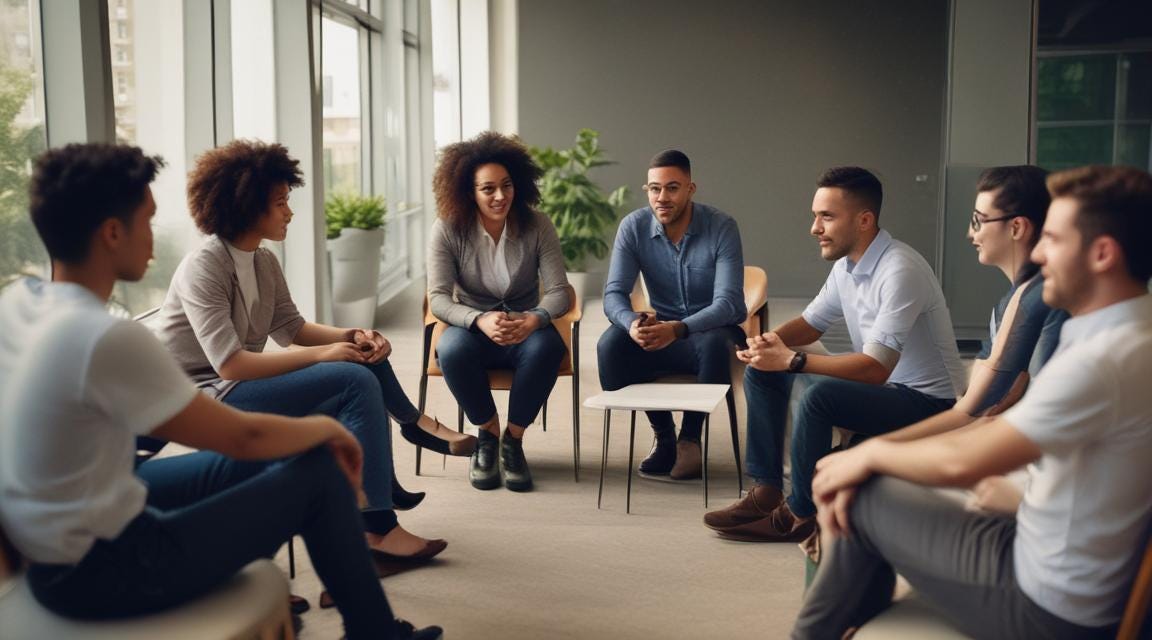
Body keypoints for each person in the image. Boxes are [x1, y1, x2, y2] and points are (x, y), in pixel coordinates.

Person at [0, 143, 440, 639]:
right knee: (317, 472)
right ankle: (376, 630)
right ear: (112, 232)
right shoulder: (105, 336)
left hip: (69, 538)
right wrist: (326, 432)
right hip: (110, 565)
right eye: (148, 218)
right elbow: (241, 437)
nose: (155, 234)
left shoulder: (17, 305)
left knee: (297, 459)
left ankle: (346, 567)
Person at [793, 165, 1152, 640]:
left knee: (863, 491)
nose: (1039, 253)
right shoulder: (1131, 329)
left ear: (1103, 254)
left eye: (1056, 240)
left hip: (1047, 606)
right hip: (1056, 552)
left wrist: (865, 455)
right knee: (870, 486)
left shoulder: (1102, 359)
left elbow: (964, 459)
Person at [151, 139, 459, 568]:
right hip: (204, 396)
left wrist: (351, 335)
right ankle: (379, 520)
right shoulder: (204, 266)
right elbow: (229, 363)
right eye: (279, 203)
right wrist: (324, 355)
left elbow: (290, 329)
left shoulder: (262, 262)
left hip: (239, 383)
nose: (289, 212)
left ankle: (381, 492)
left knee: (361, 355)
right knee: (351, 377)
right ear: (245, 206)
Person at [704, 166, 967, 542]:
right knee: (764, 371)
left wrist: (793, 360)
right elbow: (812, 323)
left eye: (826, 216)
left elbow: (876, 369)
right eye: (815, 216)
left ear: (864, 220)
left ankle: (801, 514)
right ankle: (765, 493)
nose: (815, 228)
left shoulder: (900, 269)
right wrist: (768, 343)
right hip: (888, 392)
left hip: (929, 403)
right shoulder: (848, 266)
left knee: (819, 396)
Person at [876, 165, 1068, 515]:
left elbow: (976, 410)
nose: (970, 233)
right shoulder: (1008, 304)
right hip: (1029, 457)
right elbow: (984, 405)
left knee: (873, 488)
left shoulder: (1040, 296)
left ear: (1017, 227)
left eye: (979, 220)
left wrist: (875, 453)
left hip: (1047, 478)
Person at [427, 131, 570, 492]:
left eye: (506, 185)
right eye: (488, 189)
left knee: (548, 348)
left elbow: (559, 292)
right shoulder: (447, 229)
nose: (500, 196)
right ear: (468, 192)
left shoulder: (538, 225)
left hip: (525, 324)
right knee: (452, 349)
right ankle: (488, 434)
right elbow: (439, 299)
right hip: (471, 326)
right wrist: (479, 319)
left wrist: (534, 318)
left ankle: (514, 440)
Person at [597, 149, 746, 480]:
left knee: (714, 343)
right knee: (611, 345)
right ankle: (664, 435)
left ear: (691, 189)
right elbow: (613, 295)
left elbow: (730, 304)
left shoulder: (721, 227)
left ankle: (690, 439)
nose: (662, 197)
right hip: (663, 333)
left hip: (713, 332)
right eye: (654, 188)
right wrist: (632, 323)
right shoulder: (633, 227)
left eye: (672, 188)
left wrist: (679, 329)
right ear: (646, 189)